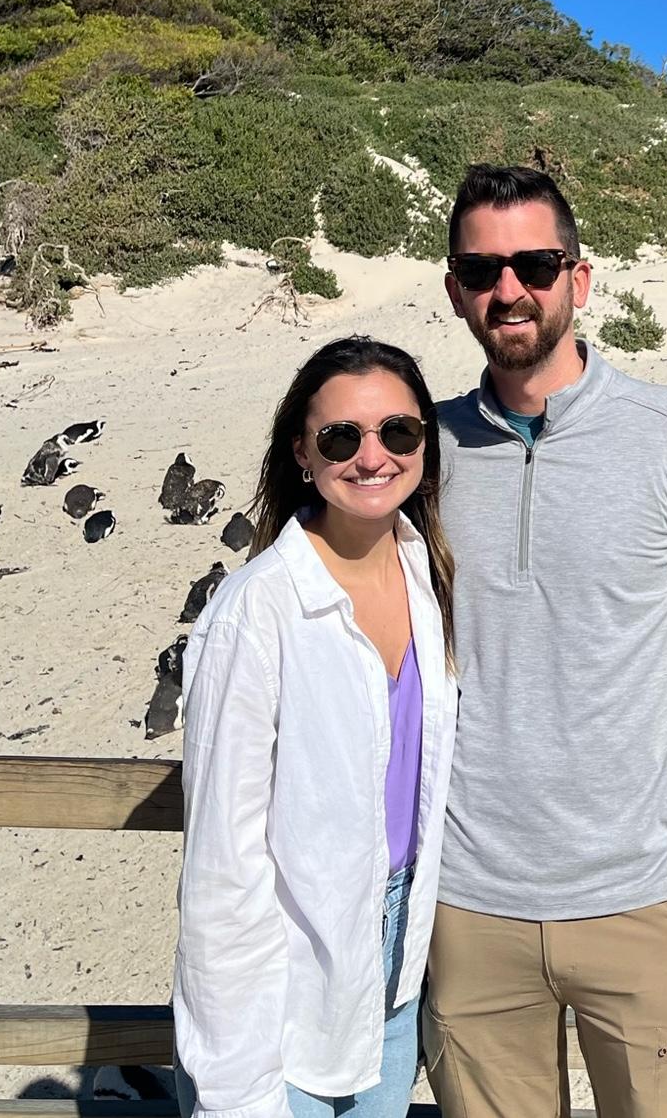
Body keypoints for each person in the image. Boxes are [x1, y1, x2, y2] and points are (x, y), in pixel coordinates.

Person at [424, 165, 667, 1118]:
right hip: (469, 908)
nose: (509, 289)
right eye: (482, 268)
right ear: (455, 289)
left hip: (647, 904)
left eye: (535, 262)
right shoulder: (423, 452)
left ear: (580, 278)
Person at [174, 337, 459, 1118]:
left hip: (397, 973)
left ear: (425, 448)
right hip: (288, 983)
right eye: (341, 438)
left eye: (398, 432)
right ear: (302, 454)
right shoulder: (255, 612)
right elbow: (222, 873)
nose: (373, 456)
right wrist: (237, 1090)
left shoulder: (426, 577)